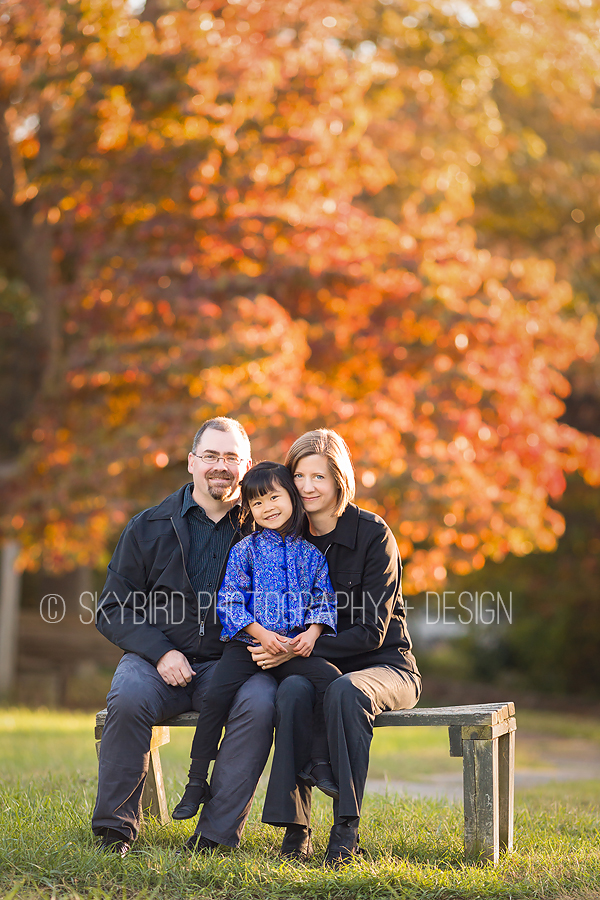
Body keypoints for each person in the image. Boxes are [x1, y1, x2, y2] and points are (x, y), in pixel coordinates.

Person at [92, 417, 277, 856]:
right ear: (192, 462)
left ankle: (215, 837)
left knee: (261, 701)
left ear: (247, 466)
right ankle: (114, 831)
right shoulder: (148, 526)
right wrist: (160, 653)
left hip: (232, 664)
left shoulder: (265, 530)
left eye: (231, 457)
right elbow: (111, 608)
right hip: (155, 662)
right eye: (210, 455)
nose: (220, 465)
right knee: (129, 695)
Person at [253, 429, 421, 867]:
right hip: (311, 668)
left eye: (319, 477)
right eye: (299, 476)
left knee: (345, 690)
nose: (307, 487)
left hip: (385, 668)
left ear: (339, 481)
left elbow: (372, 633)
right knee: (290, 692)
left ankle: (345, 828)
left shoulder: (373, 535)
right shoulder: (286, 538)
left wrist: (295, 651)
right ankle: (295, 829)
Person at [171, 461, 341, 820]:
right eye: (257, 503)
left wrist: (312, 632)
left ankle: (320, 760)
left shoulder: (311, 554)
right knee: (216, 697)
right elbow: (229, 599)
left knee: (330, 681)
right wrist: (261, 635)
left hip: (290, 650)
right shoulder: (245, 549)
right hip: (247, 644)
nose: (267, 508)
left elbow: (323, 598)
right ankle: (196, 781)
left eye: (275, 498)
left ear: (293, 498)